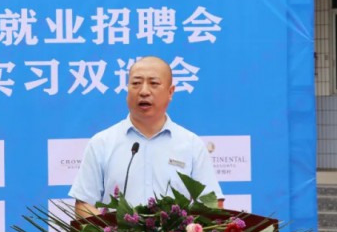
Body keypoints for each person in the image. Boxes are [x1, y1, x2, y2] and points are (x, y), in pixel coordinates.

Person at [69, 56, 223, 217]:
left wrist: (187, 231)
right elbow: (84, 204)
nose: (143, 91)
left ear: (170, 92)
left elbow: (212, 204)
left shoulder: (191, 144)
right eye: (136, 83)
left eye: (153, 83)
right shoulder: (102, 143)